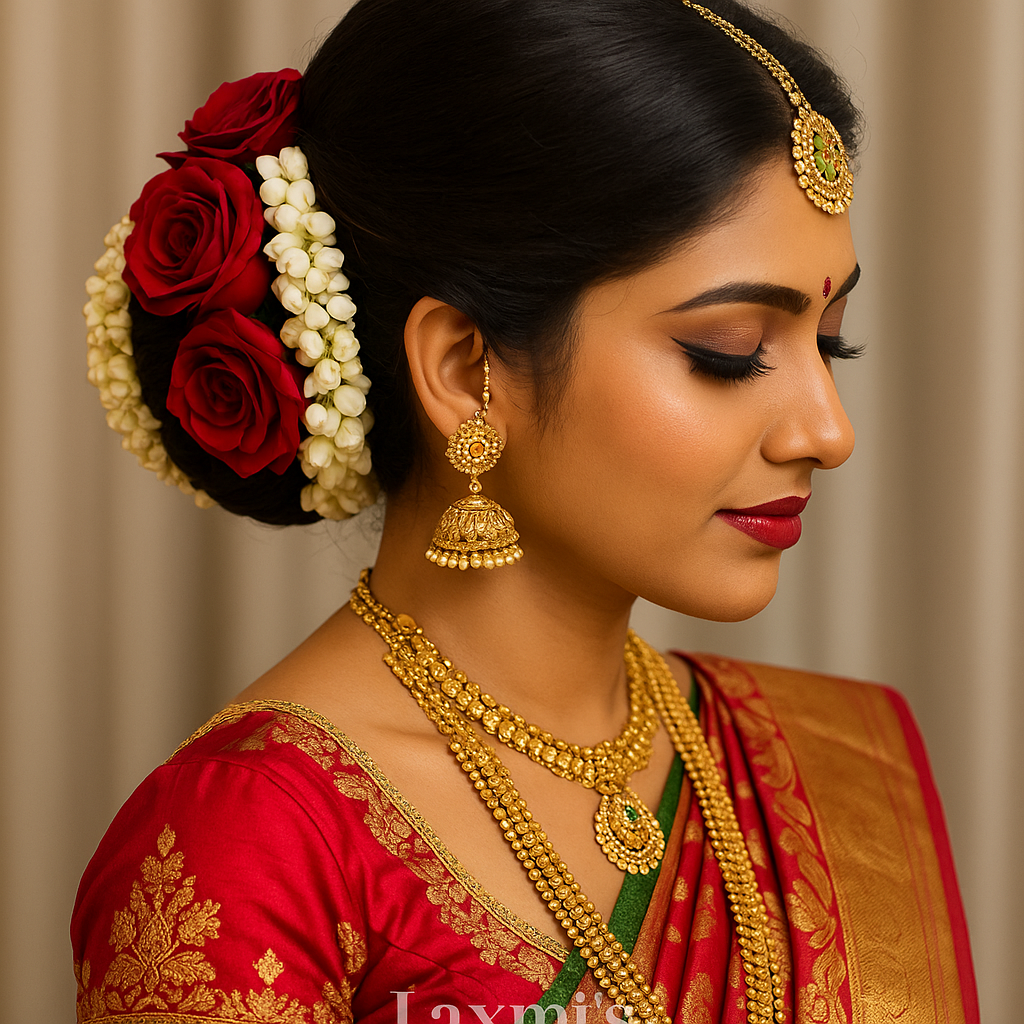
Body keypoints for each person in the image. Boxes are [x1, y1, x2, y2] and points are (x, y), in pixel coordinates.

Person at [72, 1, 978, 1021]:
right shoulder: (257, 839)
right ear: (465, 370)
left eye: (831, 342)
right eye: (728, 350)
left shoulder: (822, 766)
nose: (826, 429)